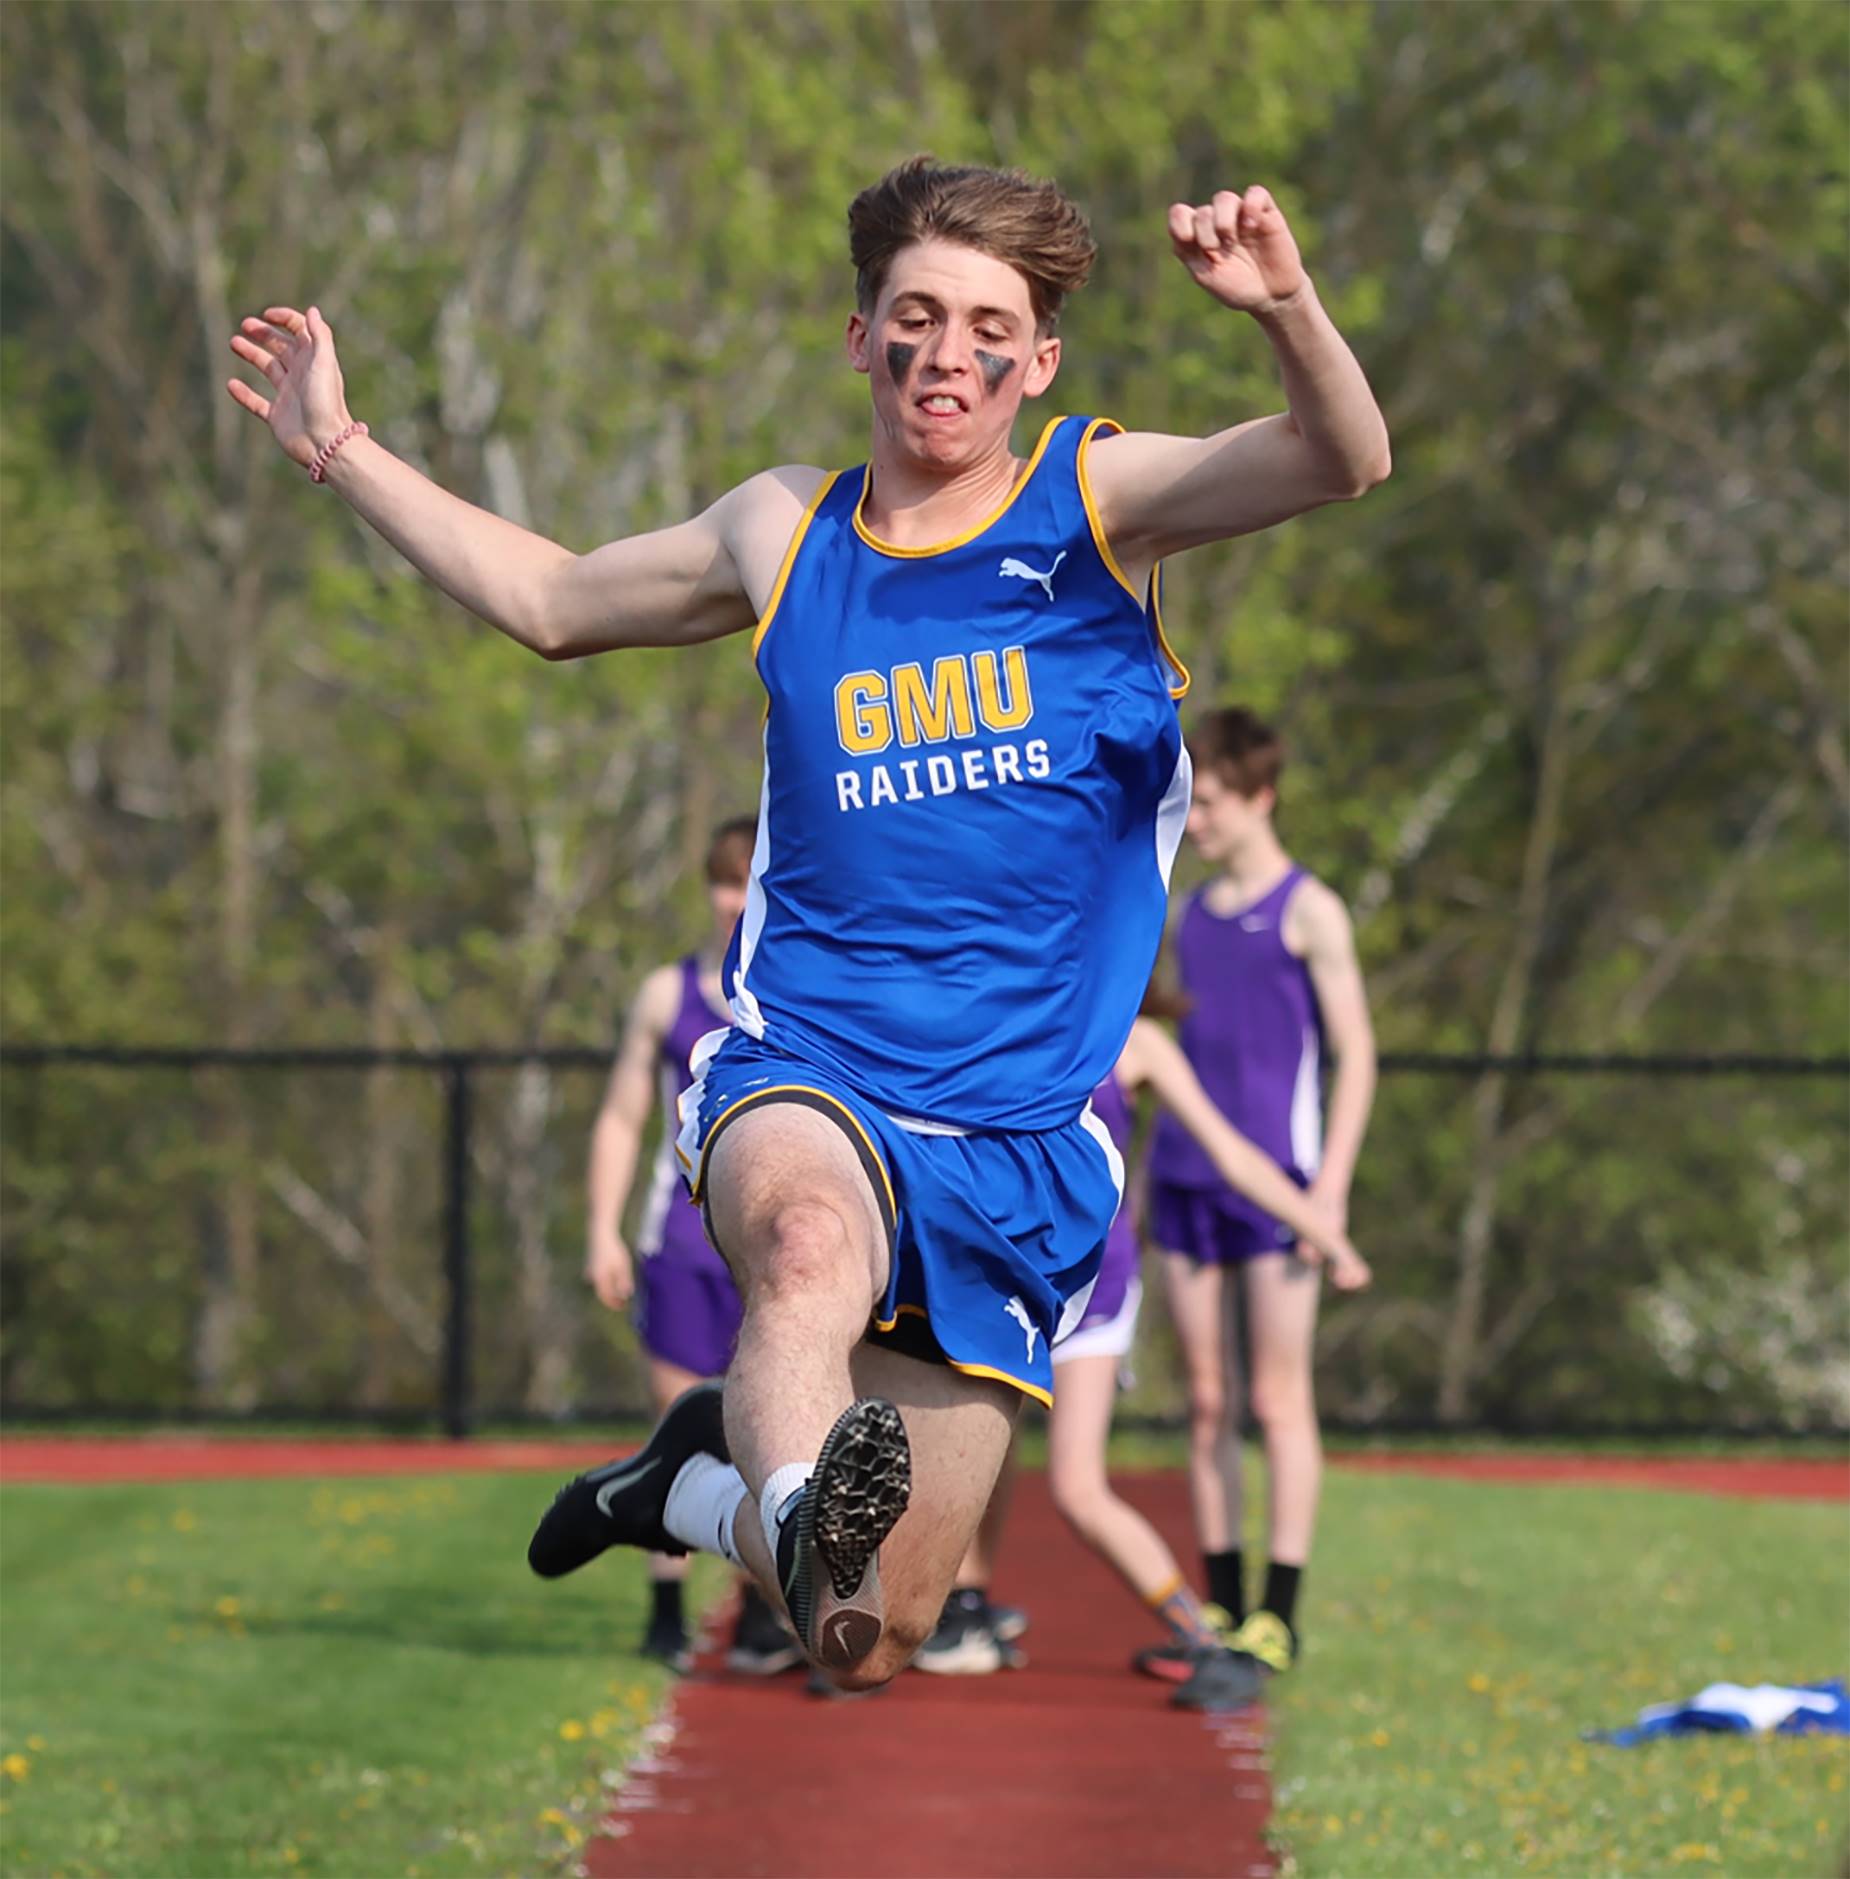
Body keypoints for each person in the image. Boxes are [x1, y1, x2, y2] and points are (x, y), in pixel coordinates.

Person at [227, 156, 1389, 1692]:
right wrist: (340, 448)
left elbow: (1339, 457)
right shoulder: (784, 530)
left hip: (1022, 1134)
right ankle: (783, 1493)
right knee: (805, 1248)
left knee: (869, 1635)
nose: (947, 350)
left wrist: (1285, 303)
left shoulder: (1096, 504)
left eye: (988, 325)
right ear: (862, 339)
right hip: (814, 1061)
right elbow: (558, 601)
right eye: (914, 314)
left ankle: (690, 1487)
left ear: (1036, 363)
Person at [916, 1008, 1370, 1707]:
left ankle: (1205, 1639)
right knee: (975, 1445)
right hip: (1007, 1275)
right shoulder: (998, 1010)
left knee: (1076, 1486)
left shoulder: (1138, 1041)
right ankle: (963, 1607)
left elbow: (1233, 1153)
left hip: (1093, 1285)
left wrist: (1324, 1232)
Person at [1146, 705, 1378, 1703]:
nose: (1196, 822)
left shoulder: (1308, 909)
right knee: (1205, 1403)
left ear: (1260, 797)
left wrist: (1326, 1185)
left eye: (1213, 804)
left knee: (1278, 1398)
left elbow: (1355, 1052)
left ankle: (1278, 1614)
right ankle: (1223, 1611)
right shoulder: (1187, 914)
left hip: (1279, 1188)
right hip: (1183, 1184)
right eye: (1191, 805)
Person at [584, 816, 801, 1676]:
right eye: (720, 879)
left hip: (775, 1253)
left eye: (749, 878)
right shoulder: (665, 995)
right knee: (683, 1431)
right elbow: (620, 1115)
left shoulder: (807, 997)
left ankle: (760, 1612)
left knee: (774, 1430)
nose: (733, 898)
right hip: (681, 1245)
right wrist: (602, 1229)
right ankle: (667, 1610)